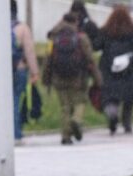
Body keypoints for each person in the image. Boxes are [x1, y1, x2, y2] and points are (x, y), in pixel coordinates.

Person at [43, 13, 102, 145]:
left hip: (58, 77)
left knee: (65, 106)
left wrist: (46, 79)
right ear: (76, 22)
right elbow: (90, 60)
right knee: (79, 102)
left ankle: (65, 136)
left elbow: (48, 59)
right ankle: (76, 120)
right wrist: (98, 79)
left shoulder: (53, 38)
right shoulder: (81, 37)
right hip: (78, 77)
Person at [95, 5, 133, 135]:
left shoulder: (105, 31)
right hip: (130, 69)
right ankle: (127, 123)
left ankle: (112, 114)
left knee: (111, 95)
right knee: (128, 98)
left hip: (109, 67)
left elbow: (96, 45)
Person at [9, 0, 40, 144]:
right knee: (15, 100)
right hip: (19, 69)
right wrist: (35, 72)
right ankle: (16, 133)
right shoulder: (22, 28)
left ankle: (3, 132)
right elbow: (29, 51)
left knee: (3, 102)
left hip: (1, 72)